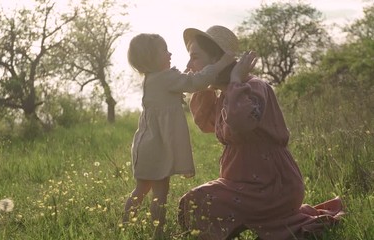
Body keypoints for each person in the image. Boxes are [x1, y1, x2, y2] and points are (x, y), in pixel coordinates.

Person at [177, 25, 344, 240]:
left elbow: (239, 123)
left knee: (198, 199)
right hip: (243, 183)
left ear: (219, 59)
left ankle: (279, 220)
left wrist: (235, 79)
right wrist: (201, 84)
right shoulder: (225, 94)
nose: (189, 65)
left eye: (195, 57)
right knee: (194, 203)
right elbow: (206, 124)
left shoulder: (253, 87)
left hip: (271, 185)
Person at [123, 33, 235, 238]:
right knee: (160, 193)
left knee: (141, 189)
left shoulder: (154, 78)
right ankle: (159, 232)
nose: (170, 53)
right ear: (151, 58)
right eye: (164, 50)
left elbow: (182, 82)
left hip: (146, 145)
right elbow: (195, 83)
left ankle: (124, 225)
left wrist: (186, 75)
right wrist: (220, 65)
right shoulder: (165, 78)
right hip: (156, 147)